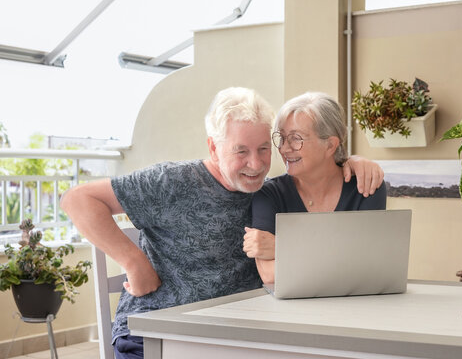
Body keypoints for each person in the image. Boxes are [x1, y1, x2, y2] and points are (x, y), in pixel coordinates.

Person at [60, 87, 384, 359]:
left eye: (262, 149)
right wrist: (134, 262)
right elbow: (78, 200)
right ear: (214, 147)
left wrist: (350, 160)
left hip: (230, 336)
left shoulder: (265, 192)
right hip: (154, 334)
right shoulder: (172, 181)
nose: (255, 164)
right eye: (241, 151)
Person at [243, 92, 387, 284]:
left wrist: (283, 246)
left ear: (330, 145)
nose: (284, 149)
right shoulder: (269, 195)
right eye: (281, 138)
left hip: (356, 308)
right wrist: (343, 257)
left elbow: (368, 266)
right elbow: (270, 274)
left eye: (296, 138)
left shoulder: (366, 187)